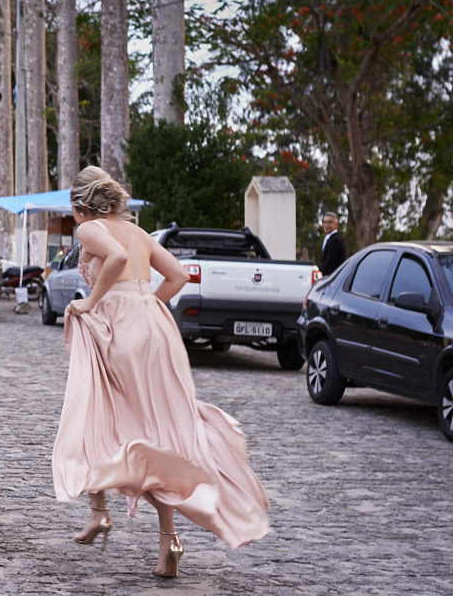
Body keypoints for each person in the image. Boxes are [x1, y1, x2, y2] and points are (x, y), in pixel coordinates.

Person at [52, 166, 269, 578]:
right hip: (154, 326)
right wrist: (146, 302)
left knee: (97, 414)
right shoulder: (140, 233)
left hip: (117, 326)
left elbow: (113, 259)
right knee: (156, 429)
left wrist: (90, 302)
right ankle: (167, 540)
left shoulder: (90, 230)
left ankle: (99, 511)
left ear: (80, 206)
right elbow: (179, 275)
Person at [319, 211, 346, 277]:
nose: (326, 225)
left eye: (329, 222)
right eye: (324, 222)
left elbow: (329, 266)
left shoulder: (335, 241)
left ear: (336, 225)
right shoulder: (329, 239)